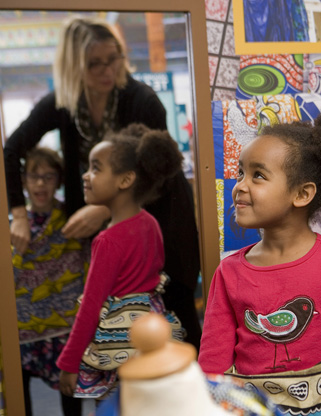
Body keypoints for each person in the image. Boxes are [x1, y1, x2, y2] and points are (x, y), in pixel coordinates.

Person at [3, 15, 202, 351]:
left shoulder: (142, 100)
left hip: (162, 219)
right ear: (74, 65)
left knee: (175, 320)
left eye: (113, 59)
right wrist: (19, 213)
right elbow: (11, 150)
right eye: (95, 64)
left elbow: (160, 169)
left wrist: (100, 210)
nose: (107, 70)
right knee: (121, 327)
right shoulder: (62, 104)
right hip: (114, 229)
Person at [198, 107, 321, 416]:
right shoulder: (229, 272)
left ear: (301, 194)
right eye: (240, 172)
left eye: (258, 175)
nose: (240, 185)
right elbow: (211, 369)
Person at [57, 124, 184, 397]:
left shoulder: (107, 241)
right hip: (152, 329)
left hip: (120, 340)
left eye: (96, 168)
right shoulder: (150, 223)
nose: (85, 176)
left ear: (125, 180)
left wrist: (69, 363)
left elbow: (91, 306)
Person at [12, 147, 90, 416]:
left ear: (58, 180)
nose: (40, 183)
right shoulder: (12, 225)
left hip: (65, 329)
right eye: (34, 176)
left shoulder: (75, 219)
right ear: (23, 180)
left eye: (48, 176)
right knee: (19, 399)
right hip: (22, 331)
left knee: (71, 399)